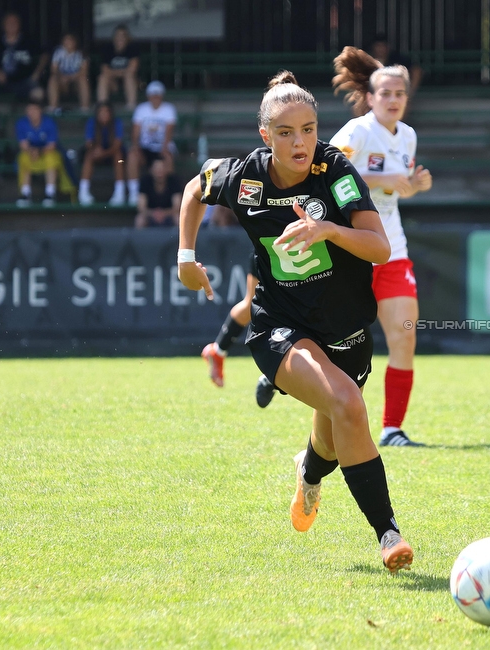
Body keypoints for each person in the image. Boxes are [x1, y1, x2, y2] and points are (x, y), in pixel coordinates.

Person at [176, 70, 414, 573]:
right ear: (266, 136)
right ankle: (388, 534)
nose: (299, 141)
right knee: (348, 404)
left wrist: (327, 229)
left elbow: (379, 247)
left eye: (307, 129)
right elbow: (194, 190)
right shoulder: (244, 177)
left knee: (331, 437)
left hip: (346, 331)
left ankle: (309, 475)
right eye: (285, 132)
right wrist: (185, 254)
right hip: (277, 325)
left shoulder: (336, 172)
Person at [323, 46, 433, 448]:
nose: (392, 99)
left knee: (404, 335)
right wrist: (386, 178)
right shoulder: (358, 131)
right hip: (351, 249)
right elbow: (328, 171)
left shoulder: (408, 135)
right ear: (370, 98)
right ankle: (280, 367)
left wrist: (414, 185)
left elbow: (394, 190)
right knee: (336, 341)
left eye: (399, 93)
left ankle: (392, 429)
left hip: (392, 248)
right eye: (384, 93)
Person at [0, 12, 47, 115]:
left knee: (39, 93)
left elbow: (44, 56)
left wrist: (37, 73)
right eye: (9, 23)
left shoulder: (28, 41)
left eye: (14, 22)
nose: (12, 25)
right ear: (3, 25)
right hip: (4, 82)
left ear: (19, 25)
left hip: (24, 81)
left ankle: (31, 117)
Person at [128, 80, 177, 206]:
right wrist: (136, 148)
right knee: (132, 156)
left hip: (162, 147)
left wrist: (164, 148)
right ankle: (134, 193)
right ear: (148, 96)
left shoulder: (168, 109)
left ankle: (170, 192)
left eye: (157, 95)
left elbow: (169, 131)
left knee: (168, 159)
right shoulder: (141, 109)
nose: (155, 98)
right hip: (145, 148)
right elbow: (136, 131)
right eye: (153, 95)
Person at [15, 98, 68, 207]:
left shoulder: (49, 122)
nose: (31, 113)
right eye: (29, 110)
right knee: (23, 158)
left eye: (34, 110)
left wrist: (38, 151)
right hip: (31, 153)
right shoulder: (21, 123)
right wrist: (31, 151)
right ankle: (25, 194)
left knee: (51, 158)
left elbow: (52, 145)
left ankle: (50, 194)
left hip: (46, 152)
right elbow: (23, 144)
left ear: (40, 111)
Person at [79, 102, 126, 206]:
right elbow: (88, 144)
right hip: (97, 154)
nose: (104, 114)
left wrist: (104, 153)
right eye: (101, 111)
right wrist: (95, 149)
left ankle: (119, 193)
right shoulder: (92, 122)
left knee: (118, 156)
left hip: (112, 154)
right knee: (88, 155)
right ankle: (83, 192)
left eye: (106, 111)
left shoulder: (117, 123)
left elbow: (117, 145)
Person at [96, 25, 140, 110]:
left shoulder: (132, 48)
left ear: (127, 37)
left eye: (123, 35)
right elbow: (104, 69)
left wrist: (115, 72)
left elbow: (133, 68)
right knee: (102, 77)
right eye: (118, 35)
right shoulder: (108, 48)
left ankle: (131, 106)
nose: (120, 38)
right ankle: (102, 107)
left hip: (131, 81)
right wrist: (121, 73)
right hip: (113, 82)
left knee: (129, 76)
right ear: (114, 37)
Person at [47, 33, 90, 113]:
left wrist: (70, 77)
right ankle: (53, 107)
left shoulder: (81, 53)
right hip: (62, 83)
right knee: (53, 78)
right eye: (65, 40)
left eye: (70, 40)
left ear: (75, 42)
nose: (67, 42)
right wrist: (61, 76)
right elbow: (54, 70)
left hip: (75, 83)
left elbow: (84, 71)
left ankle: (85, 108)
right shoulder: (58, 52)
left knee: (83, 79)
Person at [134, 158, 181, 228]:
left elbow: (177, 207)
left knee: (178, 219)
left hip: (169, 215)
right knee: (140, 219)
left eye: (162, 168)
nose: (159, 171)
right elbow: (141, 207)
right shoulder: (145, 181)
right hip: (150, 215)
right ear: (151, 170)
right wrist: (154, 213)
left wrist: (163, 213)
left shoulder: (174, 181)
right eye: (156, 168)